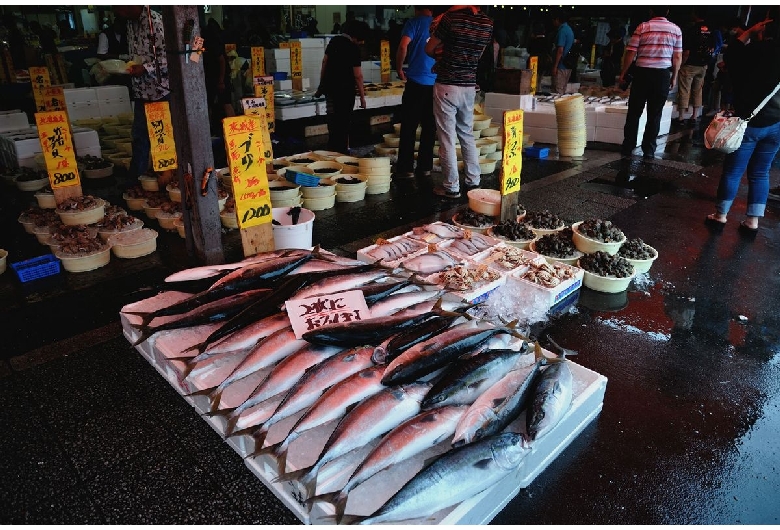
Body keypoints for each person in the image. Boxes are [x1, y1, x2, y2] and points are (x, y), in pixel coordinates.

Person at [706, 17, 780, 233]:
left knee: (733, 171)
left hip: (749, 123)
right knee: (760, 173)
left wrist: (748, 33)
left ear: (764, 31)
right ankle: (753, 221)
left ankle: (720, 215)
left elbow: (732, 56)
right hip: (776, 125)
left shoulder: (757, 51)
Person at [425, 5, 493, 199]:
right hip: (469, 85)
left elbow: (429, 48)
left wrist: (442, 58)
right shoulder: (487, 23)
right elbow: (478, 55)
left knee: (447, 138)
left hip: (447, 85)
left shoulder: (449, 18)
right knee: (466, 134)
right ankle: (473, 181)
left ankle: (451, 187)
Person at [618, 6, 682, 159]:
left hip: (642, 74)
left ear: (651, 11)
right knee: (655, 114)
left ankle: (628, 146)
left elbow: (631, 52)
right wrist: (674, 77)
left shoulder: (643, 27)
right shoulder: (676, 30)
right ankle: (649, 149)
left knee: (634, 112)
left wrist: (623, 73)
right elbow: (677, 57)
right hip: (662, 75)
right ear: (667, 12)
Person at [115, 6, 170, 181]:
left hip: (160, 91)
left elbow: (171, 57)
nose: (117, 10)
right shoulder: (130, 23)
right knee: (139, 136)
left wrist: (145, 68)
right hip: (141, 90)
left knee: (163, 138)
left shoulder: (156, 21)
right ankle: (137, 178)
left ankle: (167, 179)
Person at [393, 6, 436, 181]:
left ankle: (406, 168)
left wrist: (399, 67)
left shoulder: (413, 23)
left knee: (409, 126)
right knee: (429, 127)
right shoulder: (439, 25)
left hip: (416, 83)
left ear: (416, 8)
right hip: (435, 83)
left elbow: (403, 45)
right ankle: (425, 167)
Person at [314, 20, 367, 155]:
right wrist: (362, 97)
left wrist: (322, 84)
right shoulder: (353, 48)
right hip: (345, 92)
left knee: (332, 121)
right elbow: (358, 76)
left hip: (330, 90)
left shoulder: (334, 41)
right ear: (357, 36)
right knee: (343, 123)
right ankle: (342, 154)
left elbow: (324, 62)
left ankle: (332, 152)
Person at [676, 9, 719, 127]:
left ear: (695, 15)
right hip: (703, 66)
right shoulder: (711, 31)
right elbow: (713, 49)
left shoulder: (692, 29)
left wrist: (681, 64)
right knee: (698, 90)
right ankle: (694, 116)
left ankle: (680, 118)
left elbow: (687, 51)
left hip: (690, 64)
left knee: (684, 90)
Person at [202, 18, 234, 135]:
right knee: (210, 103)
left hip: (219, 76)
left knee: (226, 102)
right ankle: (208, 130)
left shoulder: (212, 41)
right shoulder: (207, 40)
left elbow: (221, 61)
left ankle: (234, 130)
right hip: (211, 76)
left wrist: (221, 80)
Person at [551, 9, 575, 94]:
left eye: (553, 20)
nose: (553, 22)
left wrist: (555, 66)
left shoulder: (562, 31)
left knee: (557, 91)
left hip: (561, 65)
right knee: (562, 90)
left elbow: (560, 50)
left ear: (557, 19)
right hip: (567, 64)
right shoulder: (569, 30)